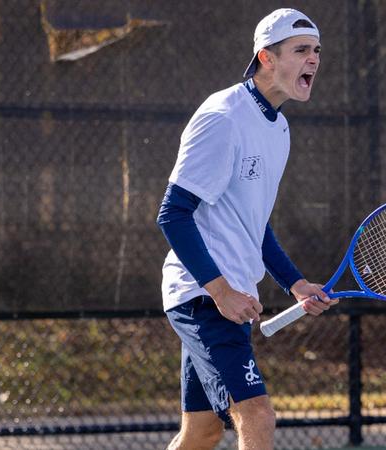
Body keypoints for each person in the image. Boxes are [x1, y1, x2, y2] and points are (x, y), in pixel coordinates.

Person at [156, 8, 336, 450]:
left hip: (229, 297)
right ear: (266, 57)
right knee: (256, 415)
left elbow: (253, 224)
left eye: (316, 51)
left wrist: (295, 284)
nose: (313, 59)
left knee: (202, 431)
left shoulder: (279, 130)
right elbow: (173, 214)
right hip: (202, 297)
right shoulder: (222, 117)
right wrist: (220, 292)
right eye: (300, 50)